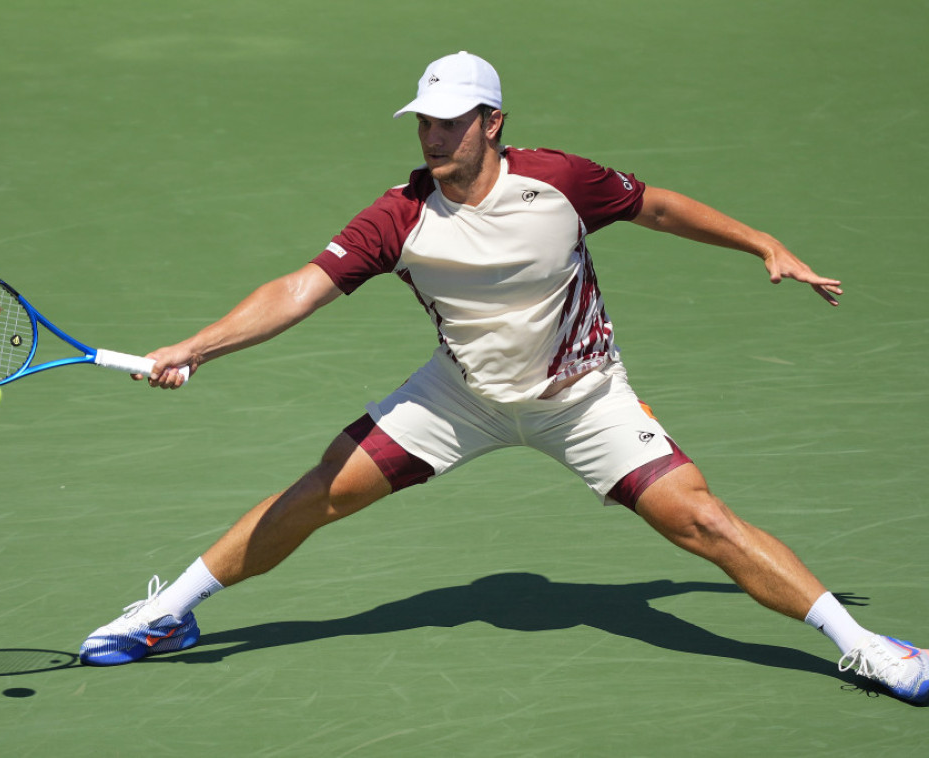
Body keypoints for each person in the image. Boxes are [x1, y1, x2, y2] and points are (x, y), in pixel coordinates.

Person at [78, 51, 927, 704]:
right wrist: (198, 345)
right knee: (316, 494)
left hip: (584, 397)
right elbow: (301, 289)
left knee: (702, 521)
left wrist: (764, 244)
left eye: (450, 122)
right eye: (424, 122)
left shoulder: (559, 182)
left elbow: (658, 206)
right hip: (460, 400)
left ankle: (865, 645)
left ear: (492, 122)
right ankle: (167, 614)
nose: (433, 135)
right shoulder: (399, 215)